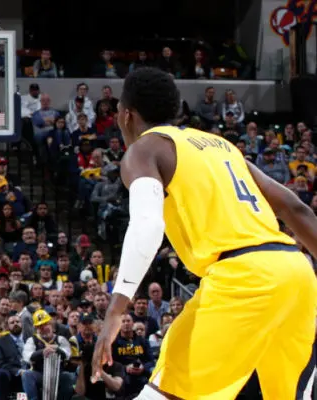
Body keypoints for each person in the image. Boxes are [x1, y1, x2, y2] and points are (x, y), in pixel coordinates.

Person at [90, 67, 317, 400]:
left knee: (163, 394)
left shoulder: (144, 150)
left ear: (126, 115)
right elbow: (296, 209)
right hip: (296, 272)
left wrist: (113, 313)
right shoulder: (221, 146)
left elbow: (148, 225)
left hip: (242, 278)